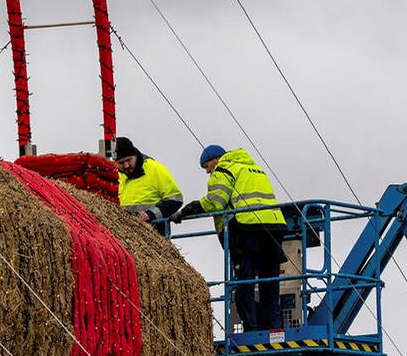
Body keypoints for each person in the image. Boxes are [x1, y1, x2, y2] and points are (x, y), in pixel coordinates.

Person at [178, 144, 286, 331]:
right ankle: (272, 326)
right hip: (274, 226)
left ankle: (251, 328)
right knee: (270, 280)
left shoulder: (223, 169)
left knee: (244, 280)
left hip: (247, 227)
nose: (208, 172)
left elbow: (216, 202)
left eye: (207, 166)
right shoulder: (254, 168)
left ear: (216, 160)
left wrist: (189, 209)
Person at [113, 136, 183, 236]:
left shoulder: (154, 168)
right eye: (121, 162)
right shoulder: (116, 175)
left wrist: (150, 214)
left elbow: (175, 199)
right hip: (124, 234)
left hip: (154, 233)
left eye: (129, 160)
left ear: (135, 155)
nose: (126, 165)